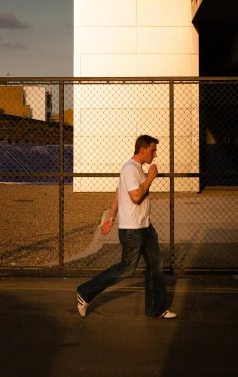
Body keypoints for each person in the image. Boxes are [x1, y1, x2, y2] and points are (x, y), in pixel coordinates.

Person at [76, 135, 177, 319]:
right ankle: (85, 292)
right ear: (143, 149)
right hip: (133, 230)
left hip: (145, 227)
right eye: (153, 150)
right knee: (126, 269)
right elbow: (135, 197)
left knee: (156, 265)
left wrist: (111, 217)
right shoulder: (130, 168)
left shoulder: (135, 169)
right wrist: (150, 178)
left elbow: (118, 193)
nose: (155, 154)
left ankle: (156, 310)